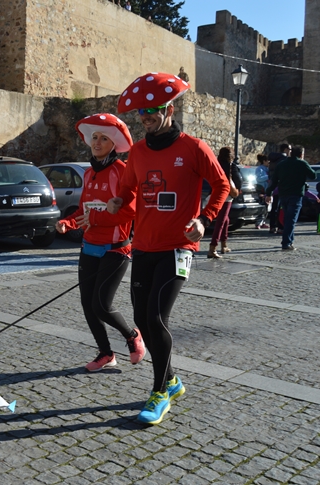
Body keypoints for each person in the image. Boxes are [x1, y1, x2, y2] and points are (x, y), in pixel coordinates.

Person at [107, 72, 229, 425]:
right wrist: (117, 200)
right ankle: (172, 380)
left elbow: (222, 185)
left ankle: (159, 392)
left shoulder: (193, 147)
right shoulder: (139, 151)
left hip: (179, 248)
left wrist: (205, 218)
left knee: (158, 317)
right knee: (143, 320)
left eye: (153, 110)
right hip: (143, 246)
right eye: (142, 112)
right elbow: (129, 189)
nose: (146, 117)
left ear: (169, 109)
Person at [55, 113, 145, 372]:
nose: (97, 142)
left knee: (101, 305)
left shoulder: (122, 172)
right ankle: (106, 353)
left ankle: (131, 336)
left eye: (103, 138)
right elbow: (83, 210)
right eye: (94, 137)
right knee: (87, 304)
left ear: (114, 144)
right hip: (89, 247)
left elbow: (130, 211)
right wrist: (68, 223)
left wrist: (93, 218)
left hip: (116, 249)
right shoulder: (87, 173)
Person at [265, 145, 316, 250]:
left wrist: (269, 193)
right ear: (301, 154)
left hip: (283, 195)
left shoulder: (281, 164)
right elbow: (313, 175)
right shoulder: (301, 163)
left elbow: (274, 181)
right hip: (296, 195)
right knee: (291, 220)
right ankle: (286, 242)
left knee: (288, 218)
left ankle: (289, 241)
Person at [208, 147, 243, 258]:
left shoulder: (215, 164)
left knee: (225, 219)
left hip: (214, 193)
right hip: (227, 196)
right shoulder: (232, 166)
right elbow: (238, 181)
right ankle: (213, 248)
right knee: (221, 221)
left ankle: (224, 244)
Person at [267, 143, 291, 233]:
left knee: (274, 207)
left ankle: (272, 226)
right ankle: (280, 227)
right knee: (281, 207)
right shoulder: (284, 159)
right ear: (285, 149)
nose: (290, 151)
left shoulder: (273, 159)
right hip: (281, 185)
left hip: (273, 184)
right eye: (289, 149)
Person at [254, 154, 271, 229]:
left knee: (267, 207)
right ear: (264, 161)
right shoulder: (259, 169)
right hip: (262, 190)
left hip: (267, 190)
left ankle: (263, 222)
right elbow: (259, 179)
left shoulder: (268, 169)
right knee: (262, 207)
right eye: (268, 161)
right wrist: (269, 176)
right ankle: (258, 223)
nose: (269, 162)